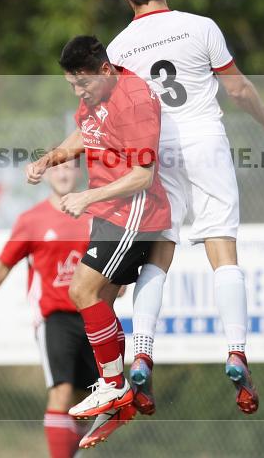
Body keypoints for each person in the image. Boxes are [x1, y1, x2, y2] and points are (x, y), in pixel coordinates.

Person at [106, 0, 264, 416]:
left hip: (155, 152)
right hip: (205, 142)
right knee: (223, 250)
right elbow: (237, 88)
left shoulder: (118, 49)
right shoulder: (200, 26)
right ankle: (235, 351)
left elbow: (114, 118)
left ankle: (142, 352)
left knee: (158, 257)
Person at [25, 35, 171, 447]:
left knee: (81, 290)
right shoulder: (95, 93)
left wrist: (87, 196)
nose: (77, 92)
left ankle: (115, 386)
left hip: (134, 211)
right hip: (107, 214)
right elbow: (83, 134)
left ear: (105, 70)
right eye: (71, 85)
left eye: (82, 84)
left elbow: (143, 175)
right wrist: (49, 158)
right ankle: (120, 403)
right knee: (100, 304)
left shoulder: (136, 100)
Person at [0, 162, 99, 458]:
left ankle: (72, 453)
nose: (62, 174)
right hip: (55, 317)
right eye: (56, 168)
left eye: (69, 168)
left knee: (88, 400)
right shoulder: (32, 220)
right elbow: (2, 265)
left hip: (93, 315)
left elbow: (109, 261)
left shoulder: (96, 215)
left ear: (78, 173)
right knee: (61, 391)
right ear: (47, 174)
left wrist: (116, 281)